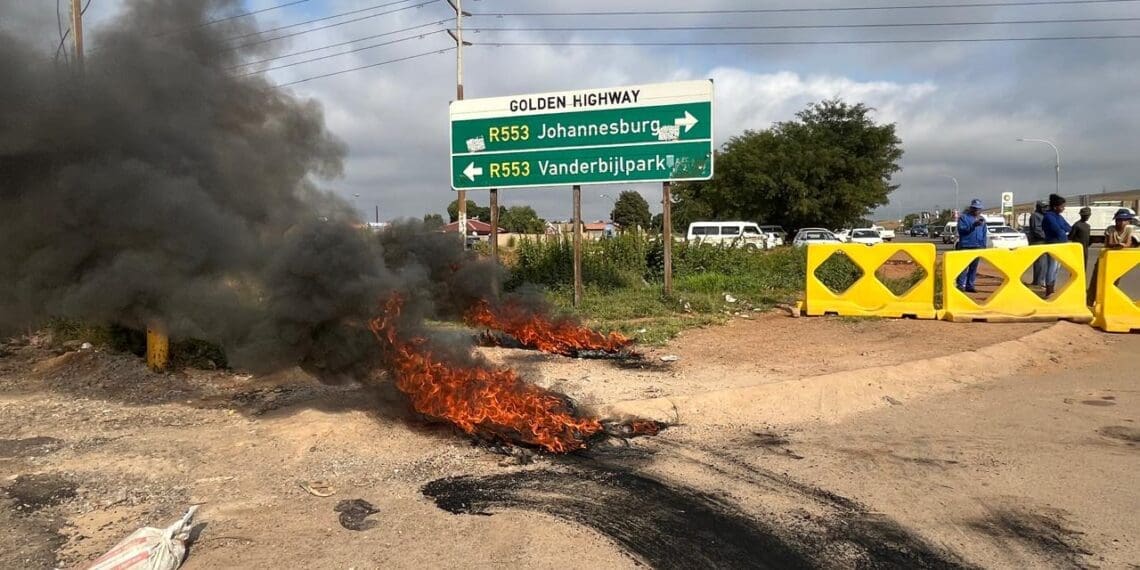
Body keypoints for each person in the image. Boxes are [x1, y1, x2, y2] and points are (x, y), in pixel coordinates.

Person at [1087, 209, 1139, 305]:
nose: (1122, 222)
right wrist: (1119, 245)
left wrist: (1122, 245)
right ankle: (1089, 302)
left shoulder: (1129, 230)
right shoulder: (1111, 229)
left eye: (1124, 220)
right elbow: (1109, 243)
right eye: (1119, 220)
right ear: (1116, 220)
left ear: (1128, 221)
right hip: (1105, 259)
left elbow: (1128, 243)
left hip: (1118, 260)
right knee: (1096, 281)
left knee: (1113, 283)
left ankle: (1107, 303)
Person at [1040, 193, 1071, 298]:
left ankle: (1052, 288)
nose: (1063, 208)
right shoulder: (1049, 217)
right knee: (1052, 268)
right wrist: (1064, 231)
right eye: (1062, 206)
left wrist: (1065, 231)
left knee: (1057, 268)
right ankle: (1049, 290)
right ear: (1055, 207)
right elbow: (1058, 231)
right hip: (1053, 245)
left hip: (1061, 246)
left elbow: (1068, 227)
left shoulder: (1059, 217)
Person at [955, 198, 988, 293]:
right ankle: (960, 285)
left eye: (979, 209)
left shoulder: (982, 219)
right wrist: (973, 225)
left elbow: (984, 233)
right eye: (975, 208)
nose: (977, 210)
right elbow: (962, 230)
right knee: (963, 267)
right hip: (966, 245)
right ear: (971, 208)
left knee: (974, 268)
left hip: (978, 246)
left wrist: (983, 245)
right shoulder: (963, 218)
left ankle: (970, 285)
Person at [1027, 200, 1047, 287]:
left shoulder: (1043, 215)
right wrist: (1047, 236)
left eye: (1046, 207)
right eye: (1043, 207)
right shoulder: (1035, 216)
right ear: (1038, 207)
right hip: (1038, 242)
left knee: (1043, 263)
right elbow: (1037, 230)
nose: (1045, 209)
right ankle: (1038, 282)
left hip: (1043, 242)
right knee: (1040, 263)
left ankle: (1040, 281)